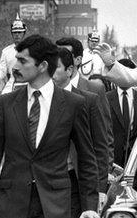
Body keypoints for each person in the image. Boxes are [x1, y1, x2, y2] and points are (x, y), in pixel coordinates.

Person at [0, 35, 99, 218]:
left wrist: (89, 206)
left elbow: (87, 159)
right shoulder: (5, 103)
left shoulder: (73, 104)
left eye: (23, 61)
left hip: (54, 205)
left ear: (43, 66)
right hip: (11, 206)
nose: (15, 66)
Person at [53, 47, 110, 217]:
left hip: (75, 182)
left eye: (54, 67)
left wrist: (99, 189)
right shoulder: (39, 100)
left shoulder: (88, 101)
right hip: (45, 182)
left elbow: (100, 147)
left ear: (69, 70)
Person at [56, 37, 114, 169]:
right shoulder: (47, 90)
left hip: (83, 174)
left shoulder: (94, 90)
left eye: (66, 54)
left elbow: (105, 137)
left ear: (78, 60)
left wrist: (103, 175)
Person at [106, 58, 137, 167]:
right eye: (120, 74)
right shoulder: (105, 98)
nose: (123, 78)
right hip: (113, 158)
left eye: (127, 74)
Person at [0, 14, 27, 94]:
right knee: (2, 101)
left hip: (28, 83)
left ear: (24, 33)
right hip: (12, 84)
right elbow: (2, 71)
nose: (17, 35)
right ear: (12, 34)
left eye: (19, 32)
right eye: (15, 33)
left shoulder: (31, 48)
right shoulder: (6, 51)